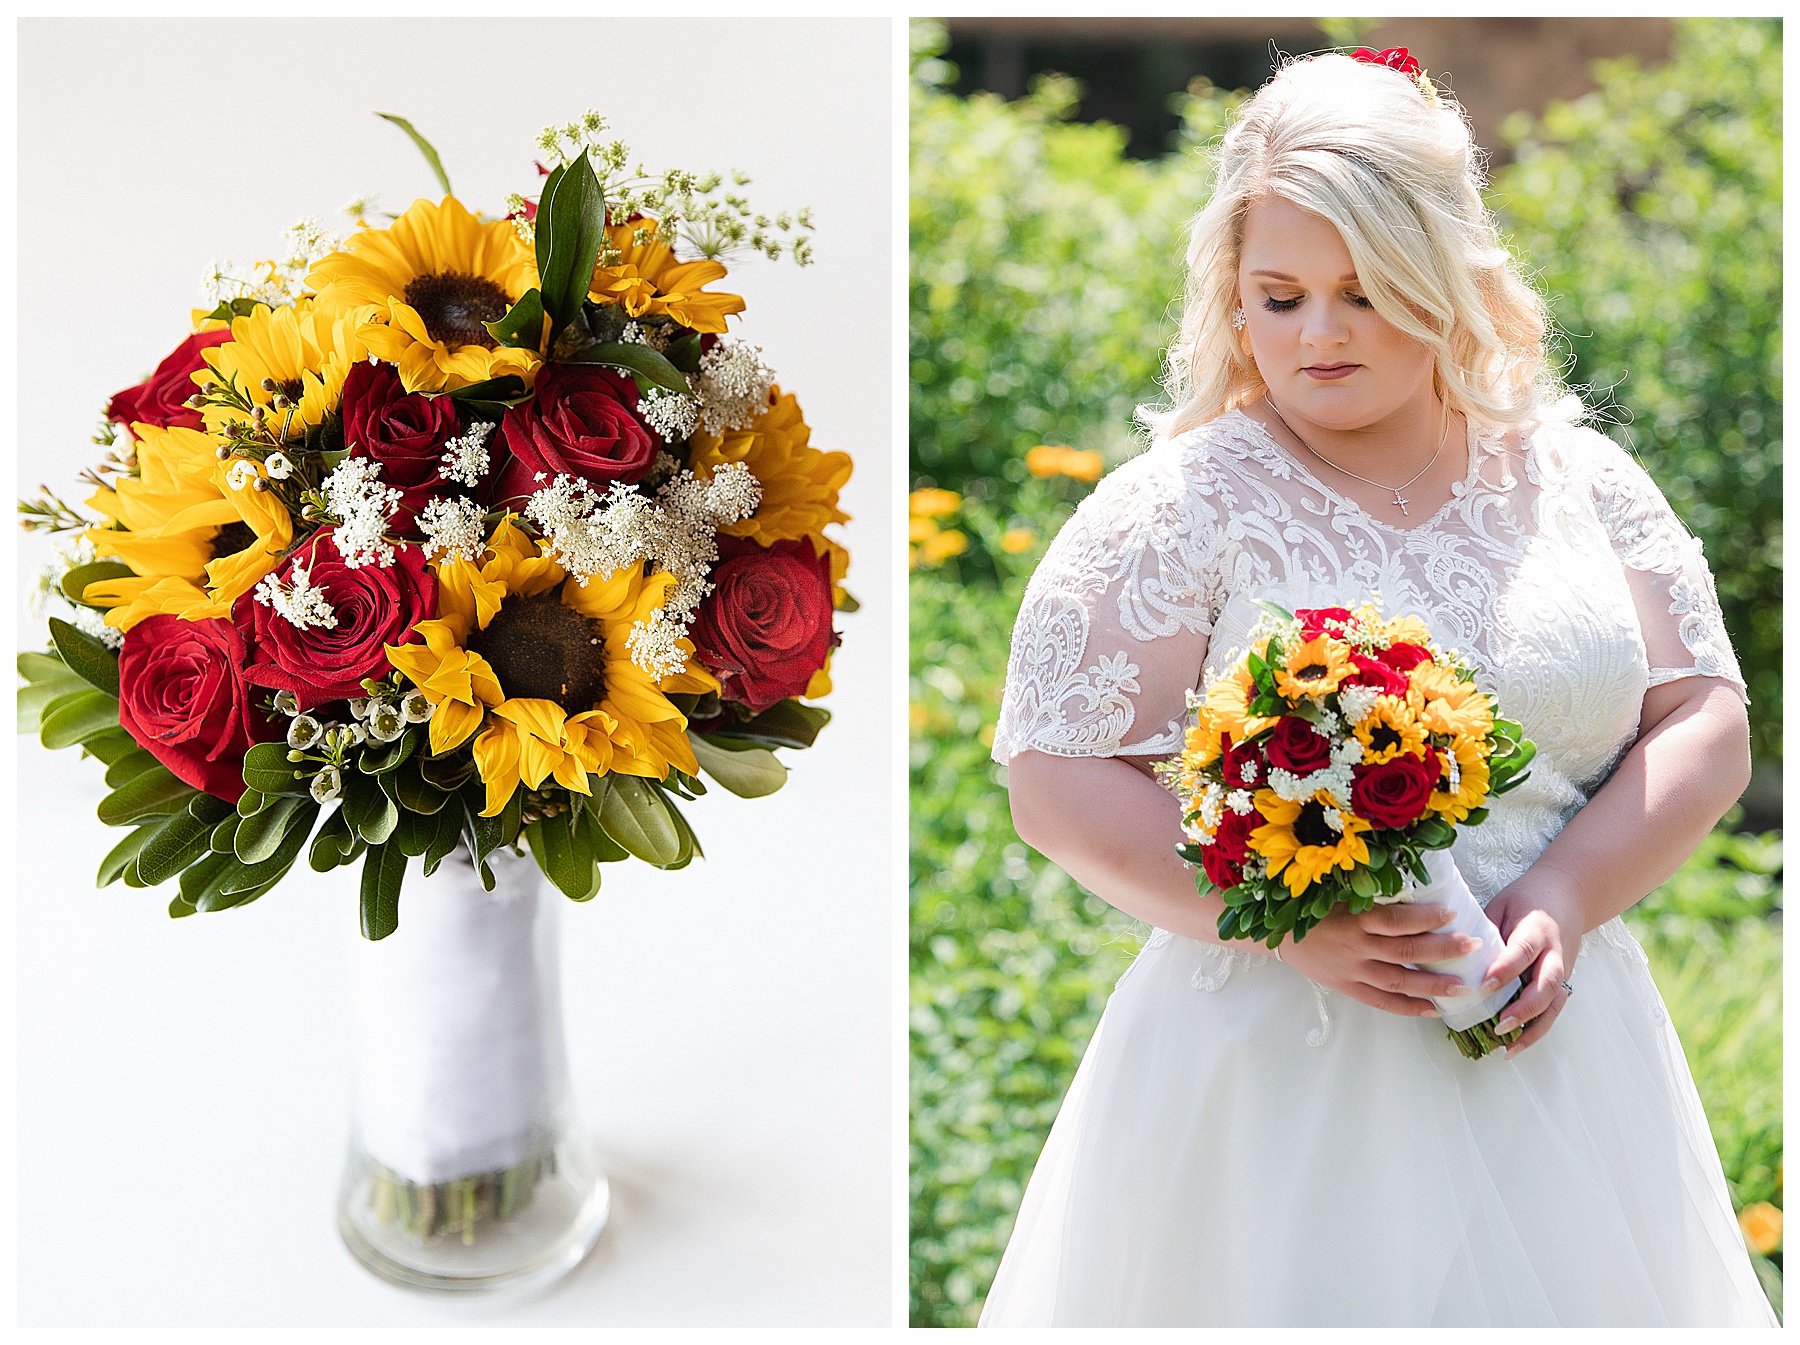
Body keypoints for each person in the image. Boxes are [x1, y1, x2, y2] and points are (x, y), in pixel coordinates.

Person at [981, 49, 1776, 1327]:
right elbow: (1055, 776)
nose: (1317, 334)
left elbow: (1707, 720)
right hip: (1278, 1071)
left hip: (1560, 1051)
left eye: (1362, 292)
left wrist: (1564, 899)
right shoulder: (1182, 505)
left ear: (1444, 278)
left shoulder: (1581, 481)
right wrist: (1284, 920)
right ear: (1232, 299)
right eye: (1279, 295)